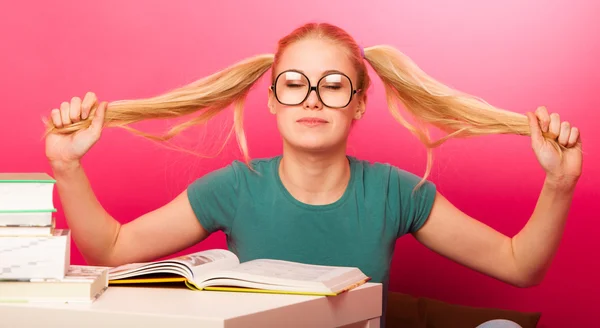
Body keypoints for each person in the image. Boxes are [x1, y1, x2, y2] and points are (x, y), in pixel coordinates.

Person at [43, 22, 582, 327]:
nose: (314, 98)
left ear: (358, 104)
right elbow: (110, 250)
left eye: (333, 85)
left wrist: (559, 183)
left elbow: (520, 266)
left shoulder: (396, 191)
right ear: (274, 100)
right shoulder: (236, 186)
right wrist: (67, 165)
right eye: (295, 84)